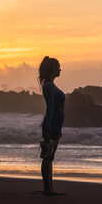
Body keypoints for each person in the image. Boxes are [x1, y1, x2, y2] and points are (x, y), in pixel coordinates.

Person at [38, 56, 66, 195]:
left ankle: (50, 187)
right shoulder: (49, 86)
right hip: (53, 122)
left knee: (50, 157)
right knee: (48, 157)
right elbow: (50, 109)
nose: (60, 69)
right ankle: (47, 188)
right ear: (52, 69)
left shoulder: (51, 85)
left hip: (56, 123)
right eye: (58, 66)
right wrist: (48, 129)